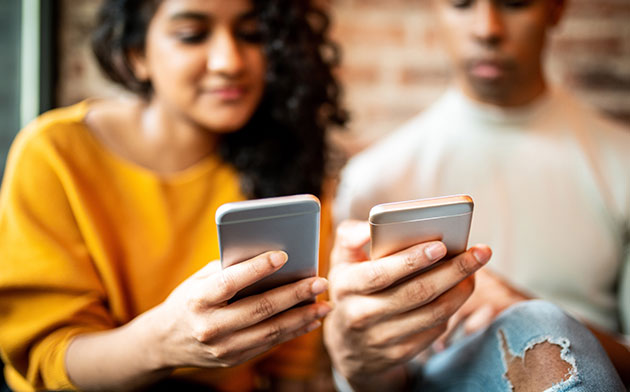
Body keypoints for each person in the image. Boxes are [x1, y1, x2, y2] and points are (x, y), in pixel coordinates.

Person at [0, 0, 347, 391]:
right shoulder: (55, 154)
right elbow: (47, 355)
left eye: (251, 34)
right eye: (192, 36)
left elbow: (291, 364)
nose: (228, 61)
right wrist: (163, 343)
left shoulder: (287, 163)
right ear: (136, 56)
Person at [326, 0, 629, 390]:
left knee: (538, 325)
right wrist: (359, 361)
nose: (487, 29)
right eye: (461, 3)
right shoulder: (375, 179)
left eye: (515, 3)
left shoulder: (621, 163)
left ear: (556, 8)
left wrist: (529, 313)